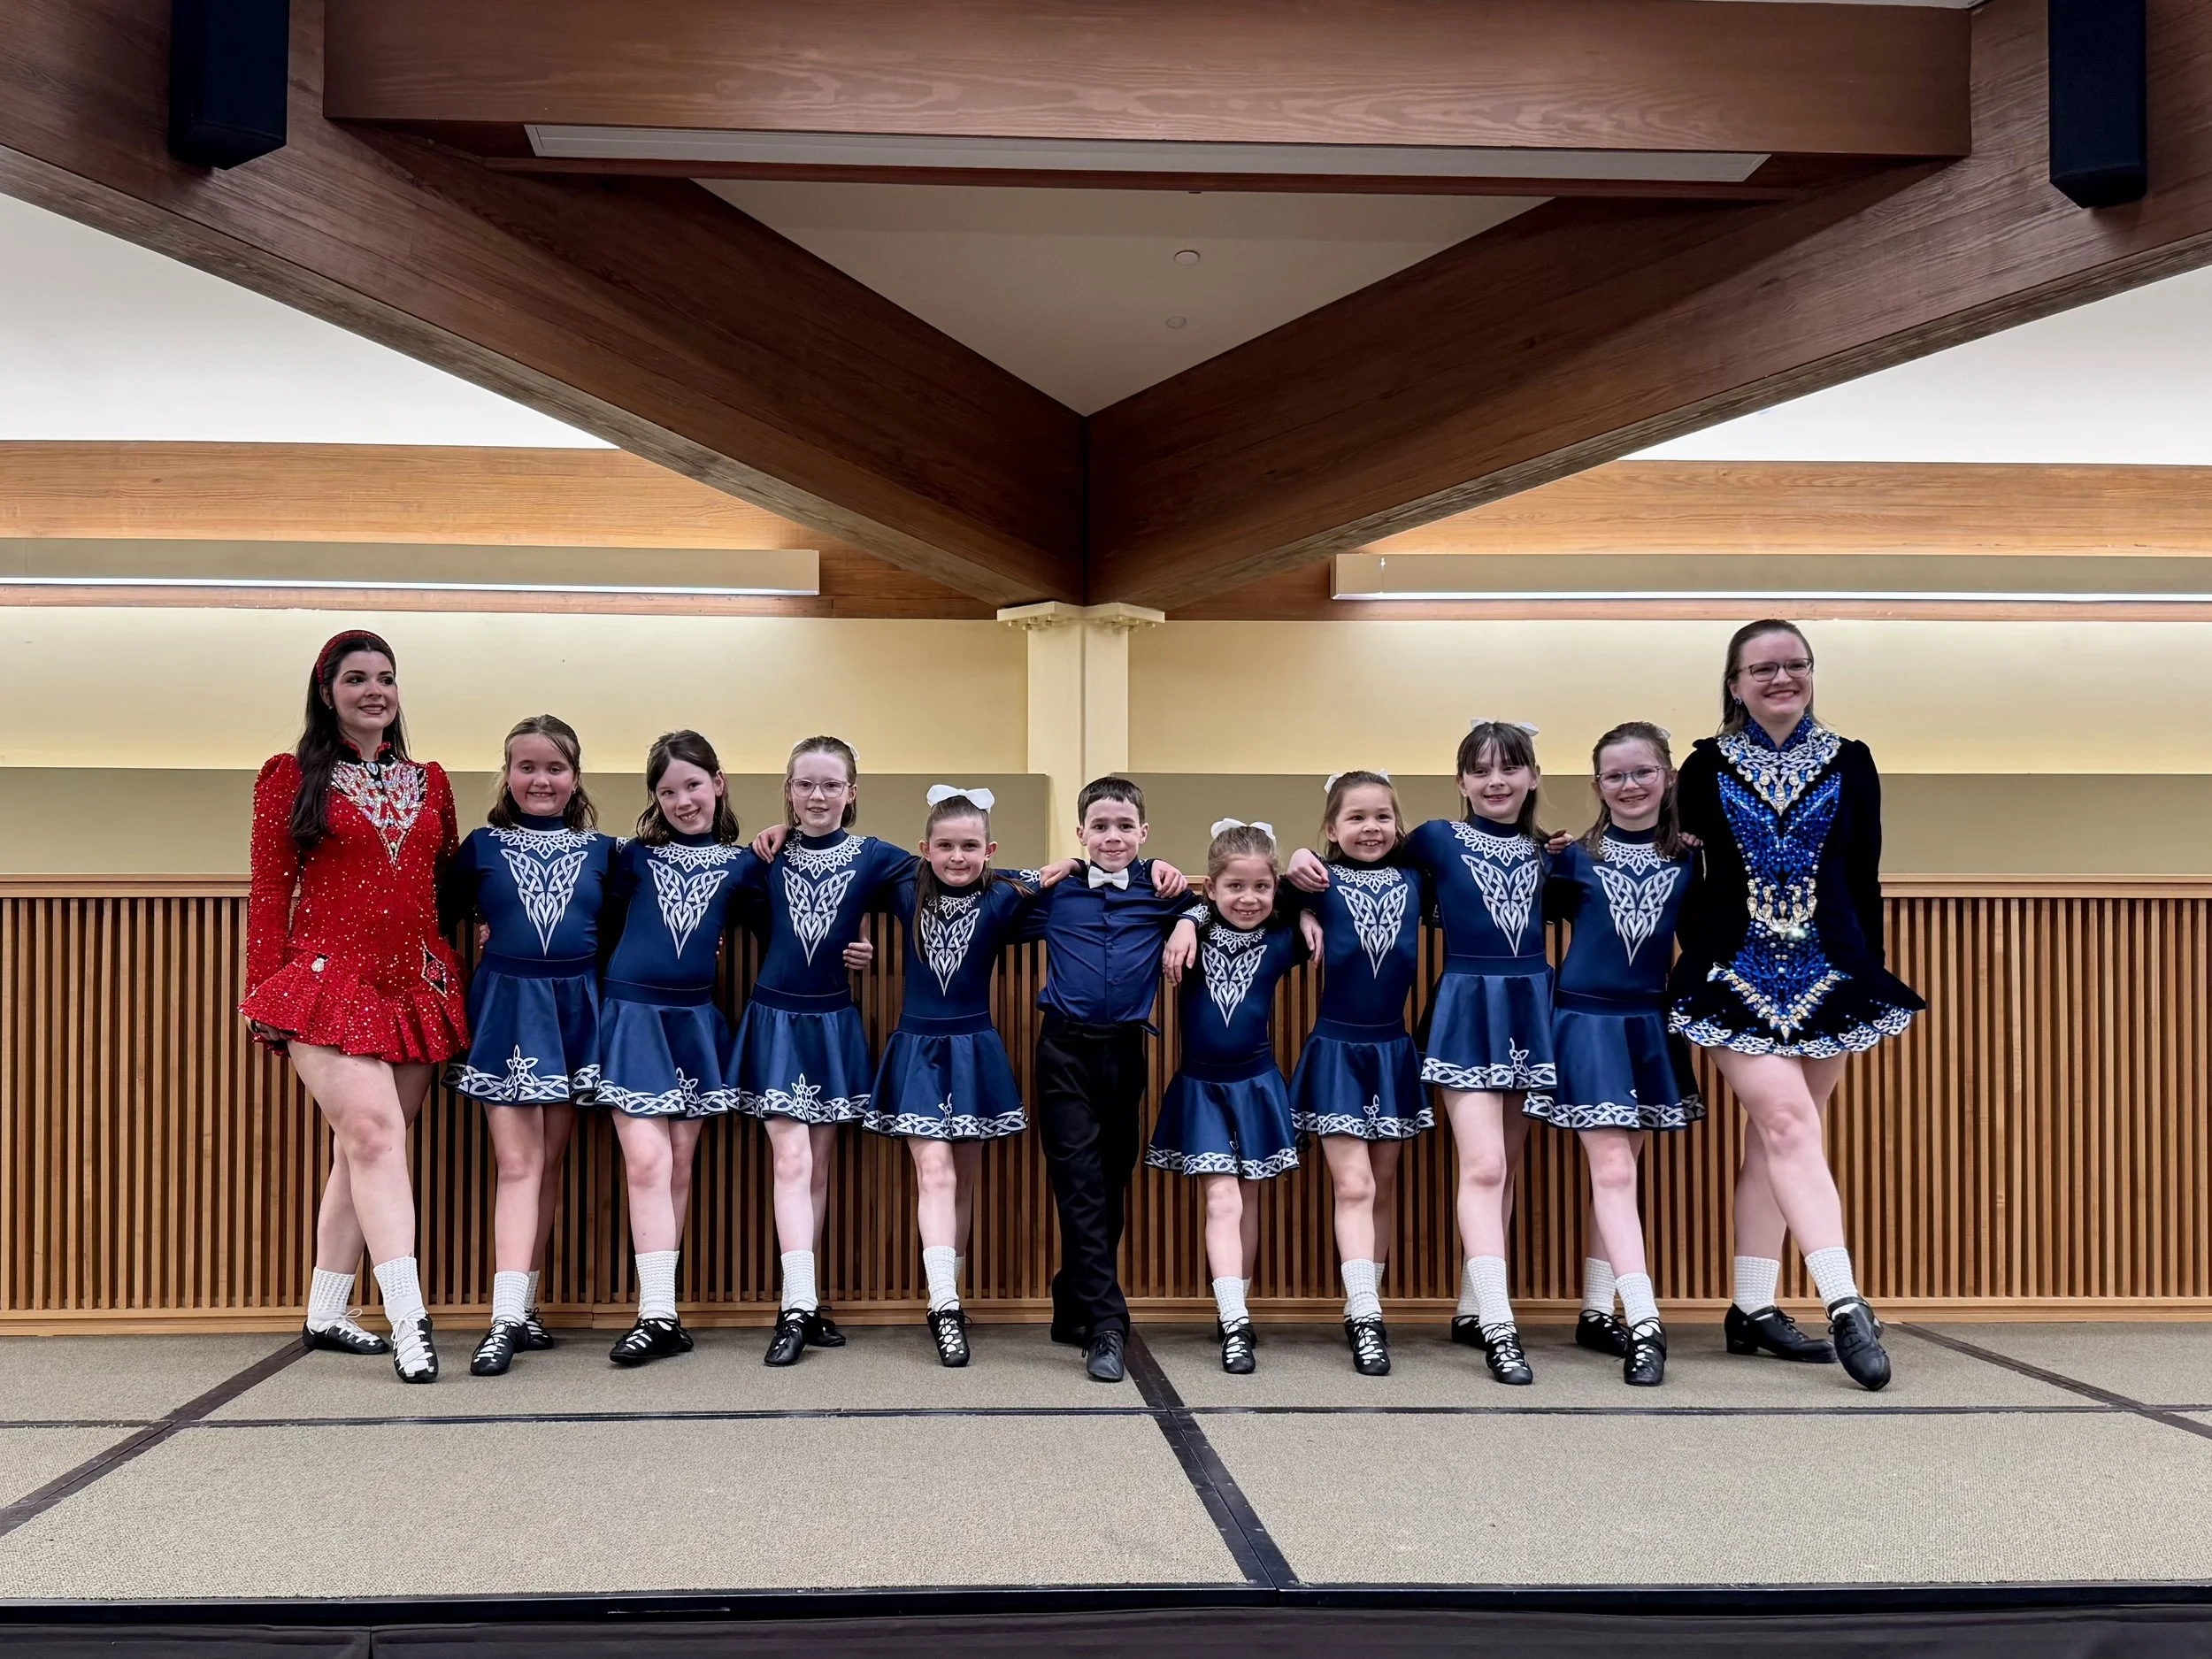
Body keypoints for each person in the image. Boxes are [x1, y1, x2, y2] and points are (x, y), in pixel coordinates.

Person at [1669, 620, 1924, 1392]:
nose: (1781, 678)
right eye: (1762, 668)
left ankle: (1750, 1308)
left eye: (1794, 665)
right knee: (1786, 1123)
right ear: (1735, 683)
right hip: (1735, 975)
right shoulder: (1703, 765)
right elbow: (1677, 860)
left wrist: (1863, 971)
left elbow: (1865, 871)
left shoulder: (1853, 760)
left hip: (1829, 975)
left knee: (1776, 1142)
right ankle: (1845, 1301)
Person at [242, 629, 464, 1385]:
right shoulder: (288, 777)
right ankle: (410, 1318)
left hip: (414, 986)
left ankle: (327, 1308)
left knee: (361, 1147)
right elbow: (270, 888)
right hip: (325, 982)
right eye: (357, 678)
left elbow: (448, 880)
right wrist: (261, 986)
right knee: (374, 1136)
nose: (375, 690)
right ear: (326, 690)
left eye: (387, 678)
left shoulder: (431, 782)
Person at [862, 787, 1068, 1365]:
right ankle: (945, 1306)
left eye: (970, 846)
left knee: (964, 1179)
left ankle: (944, 1293)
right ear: (924, 849)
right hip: (918, 1048)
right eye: (946, 845)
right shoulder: (905, 887)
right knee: (934, 1171)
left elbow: (1072, 891)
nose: (957, 856)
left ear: (990, 848)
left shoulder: (1005, 895)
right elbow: (848, 873)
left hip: (975, 1049)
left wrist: (1070, 864)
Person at [1526, 722, 1702, 1386]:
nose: (1629, 785)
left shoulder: (1691, 856)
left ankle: (1598, 1309)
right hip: (1585, 1021)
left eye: (1643, 772)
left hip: (1647, 1023)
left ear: (1668, 777)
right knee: (1611, 1166)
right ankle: (1646, 1321)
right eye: (1615, 775)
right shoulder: (1572, 856)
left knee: (1623, 1165)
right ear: (1597, 785)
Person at [439, 715, 616, 1376]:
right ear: (507, 774)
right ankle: (504, 1316)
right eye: (527, 767)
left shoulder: (606, 852)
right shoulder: (480, 845)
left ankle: (527, 1306)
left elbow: (630, 928)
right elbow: (432, 920)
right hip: (507, 1014)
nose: (540, 779)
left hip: (575, 1017)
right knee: (518, 1164)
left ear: (575, 777)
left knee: (546, 1165)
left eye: (555, 768)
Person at [733, 736, 909, 1366]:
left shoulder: (873, 857)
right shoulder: (765, 855)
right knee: (791, 1160)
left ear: (851, 793)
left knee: (819, 1167)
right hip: (776, 1020)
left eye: (831, 784)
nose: (817, 795)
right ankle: (797, 1307)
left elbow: (952, 875)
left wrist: (1067, 869)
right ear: (788, 790)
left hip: (833, 1021)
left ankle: (803, 1301)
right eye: (805, 784)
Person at [1016, 777, 1189, 1384]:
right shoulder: (1058, 895)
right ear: (1081, 833)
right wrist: (1045, 870)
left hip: (1125, 1055)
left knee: (1112, 1181)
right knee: (1079, 1183)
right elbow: (987, 893)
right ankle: (1108, 1324)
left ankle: (1073, 1301)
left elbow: (1222, 898)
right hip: (1063, 1050)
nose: (1112, 836)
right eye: (1100, 827)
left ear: (1143, 833)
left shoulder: (1161, 891)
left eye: (1124, 826)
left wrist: (1189, 917)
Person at [592, 731, 757, 1366]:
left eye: (693, 784)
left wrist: (858, 948)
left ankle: (663, 1312)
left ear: (719, 781)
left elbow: (792, 924)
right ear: (654, 799)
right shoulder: (632, 857)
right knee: (646, 1161)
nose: (683, 799)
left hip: (693, 1023)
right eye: (667, 790)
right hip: (631, 1016)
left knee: (679, 1164)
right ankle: (656, 1312)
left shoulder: (745, 864)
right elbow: (590, 917)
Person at [1283, 771, 1427, 1378]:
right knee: (1356, 1185)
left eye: (1381, 816)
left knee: (1384, 1183)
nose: (1370, 828)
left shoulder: (1419, 877)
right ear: (1331, 828)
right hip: (1338, 1051)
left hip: (1392, 1051)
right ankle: (1365, 1315)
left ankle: (1366, 1297)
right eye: (1356, 817)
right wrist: (1298, 894)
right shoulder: (1317, 880)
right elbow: (1263, 887)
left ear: (1398, 823)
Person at [1152, 821, 1307, 1375]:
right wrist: (1189, 918)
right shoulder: (1183, 931)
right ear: (1211, 888)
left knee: (1250, 1201)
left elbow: (1323, 896)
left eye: (1262, 888)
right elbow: (1148, 889)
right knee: (1224, 1199)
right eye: (1234, 887)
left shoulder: (1284, 937)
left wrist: (1303, 908)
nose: (1249, 898)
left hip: (1258, 1084)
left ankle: (1232, 1308)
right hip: (1202, 1087)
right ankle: (1236, 1324)